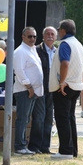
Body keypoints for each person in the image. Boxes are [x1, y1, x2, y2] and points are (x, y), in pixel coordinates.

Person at [49, 19, 83, 159]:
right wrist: (81, 82)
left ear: (63, 30)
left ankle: (65, 151)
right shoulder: (78, 44)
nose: (58, 31)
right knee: (70, 117)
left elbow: (65, 64)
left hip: (65, 86)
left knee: (62, 118)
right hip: (76, 85)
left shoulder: (65, 44)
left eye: (59, 29)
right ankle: (72, 150)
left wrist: (62, 82)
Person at [13, 26, 43, 155]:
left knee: (26, 119)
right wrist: (29, 87)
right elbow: (19, 71)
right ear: (23, 37)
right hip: (24, 90)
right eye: (30, 36)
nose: (32, 39)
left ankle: (22, 145)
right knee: (22, 118)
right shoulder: (20, 51)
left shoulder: (32, 50)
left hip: (33, 90)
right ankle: (19, 146)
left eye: (34, 36)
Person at [28, 26, 57, 154]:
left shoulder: (57, 52)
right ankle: (35, 146)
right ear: (43, 36)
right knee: (39, 117)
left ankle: (45, 147)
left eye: (52, 34)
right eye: (48, 34)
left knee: (49, 118)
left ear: (56, 37)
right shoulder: (36, 50)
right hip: (39, 88)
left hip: (53, 89)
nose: (50, 36)